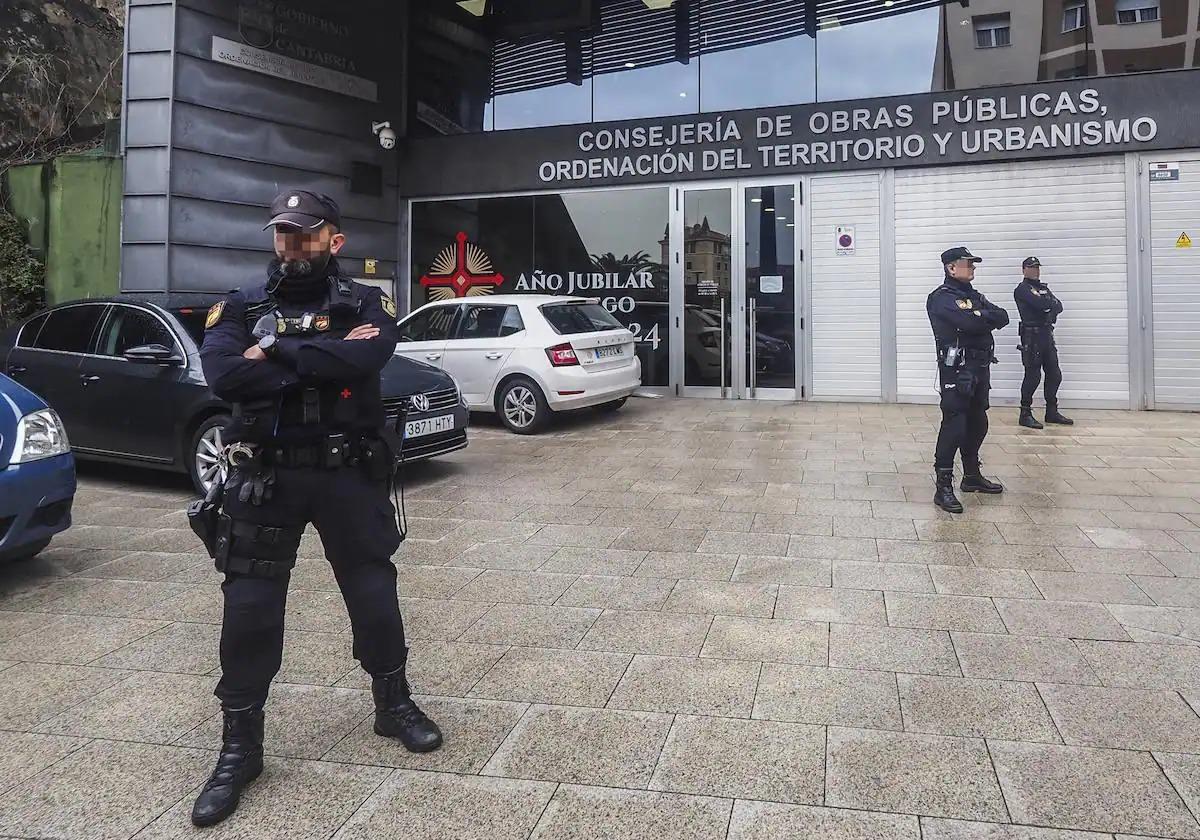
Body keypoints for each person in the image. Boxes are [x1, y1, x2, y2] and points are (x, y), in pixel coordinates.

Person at [188, 189, 442, 827]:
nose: (291, 244)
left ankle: (394, 704)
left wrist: (273, 351)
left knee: (375, 596)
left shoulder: (364, 303)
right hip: (266, 477)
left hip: (347, 475)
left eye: (305, 233)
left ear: (336, 239)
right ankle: (240, 748)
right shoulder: (241, 306)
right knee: (248, 610)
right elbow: (223, 377)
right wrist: (325, 365)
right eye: (282, 233)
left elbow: (369, 356)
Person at [927, 247, 1010, 513]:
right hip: (957, 370)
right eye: (968, 264)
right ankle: (943, 487)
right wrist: (981, 317)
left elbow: (1003, 316)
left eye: (973, 264)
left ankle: (972, 476)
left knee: (978, 421)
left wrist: (979, 316)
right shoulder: (941, 298)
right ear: (951, 268)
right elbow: (973, 324)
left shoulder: (973, 296)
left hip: (980, 366)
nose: (973, 268)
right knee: (955, 424)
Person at [1014, 256, 1072, 428]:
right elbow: (1041, 304)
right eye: (1032, 267)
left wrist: (1048, 306)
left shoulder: (1043, 288)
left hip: (1046, 334)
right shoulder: (1022, 289)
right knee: (1033, 375)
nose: (1035, 270)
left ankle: (1052, 411)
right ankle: (1025, 413)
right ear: (1024, 269)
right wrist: (1048, 306)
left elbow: (1058, 305)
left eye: (1037, 267)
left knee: (1054, 373)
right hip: (1032, 336)